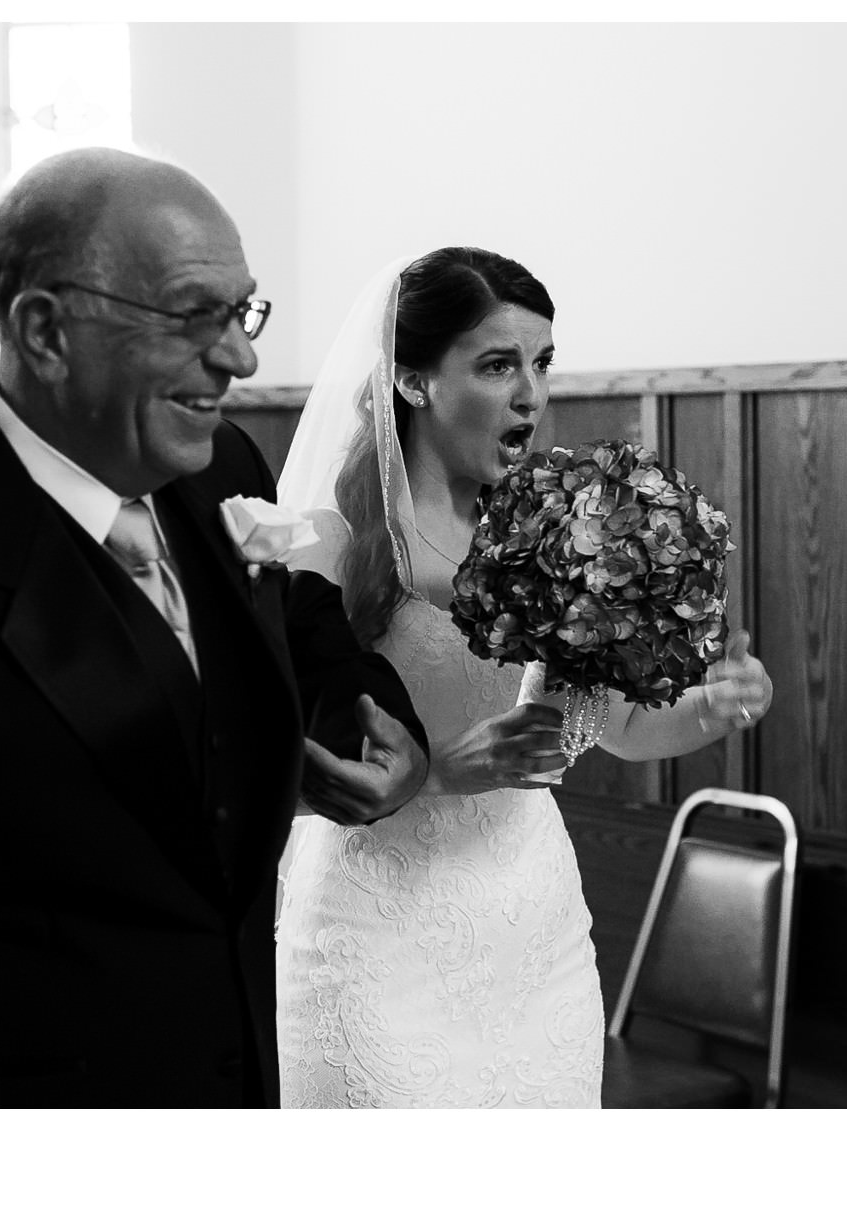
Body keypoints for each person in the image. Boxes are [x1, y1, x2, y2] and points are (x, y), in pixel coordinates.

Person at [0, 148, 430, 1108]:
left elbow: (302, 626)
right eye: (194, 316)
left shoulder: (220, 465)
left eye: (242, 313)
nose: (240, 356)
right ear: (45, 331)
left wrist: (386, 734)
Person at [274, 247, 774, 1108]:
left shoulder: (564, 534)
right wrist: (435, 775)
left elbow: (615, 726)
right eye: (498, 364)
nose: (531, 395)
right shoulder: (327, 544)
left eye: (541, 363)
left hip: (531, 935)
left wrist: (711, 709)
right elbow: (264, 772)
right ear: (413, 381)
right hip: (373, 935)